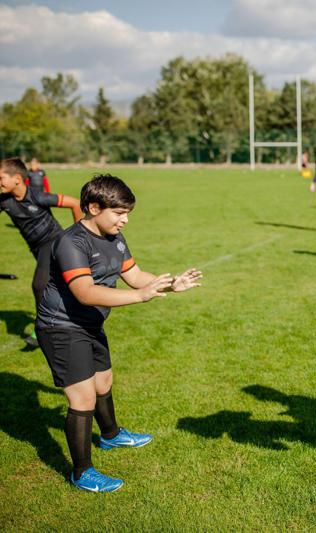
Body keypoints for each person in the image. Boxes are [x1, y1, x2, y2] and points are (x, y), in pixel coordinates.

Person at [35, 174, 202, 493]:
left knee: (103, 381)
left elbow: (136, 276)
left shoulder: (115, 238)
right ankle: (82, 472)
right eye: (119, 213)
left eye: (127, 213)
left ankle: (110, 436)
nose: (125, 220)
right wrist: (140, 297)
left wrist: (171, 284)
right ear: (94, 207)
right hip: (61, 327)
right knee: (81, 397)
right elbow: (85, 292)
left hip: (89, 325)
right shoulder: (71, 242)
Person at [0, 157, 82, 347]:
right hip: (37, 248)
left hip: (54, 243)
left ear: (17, 179)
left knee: (39, 285)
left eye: (1, 177)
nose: (0, 182)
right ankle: (70, 320)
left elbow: (75, 203)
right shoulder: (4, 201)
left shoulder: (38, 196)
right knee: (59, 286)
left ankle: (43, 330)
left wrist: (79, 237)